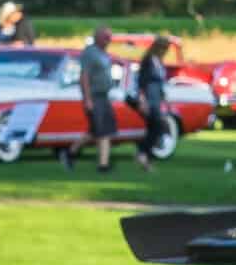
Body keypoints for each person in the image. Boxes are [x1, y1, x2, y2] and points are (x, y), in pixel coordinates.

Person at [60, 25, 120, 172]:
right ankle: (103, 165)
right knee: (101, 131)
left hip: (104, 96)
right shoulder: (90, 53)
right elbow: (84, 76)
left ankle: (71, 153)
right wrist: (87, 99)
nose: (109, 40)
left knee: (98, 131)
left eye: (110, 37)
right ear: (98, 37)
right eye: (106, 37)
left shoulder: (102, 53)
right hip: (94, 96)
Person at [133, 33, 171, 176]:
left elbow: (160, 82)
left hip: (156, 98)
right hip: (149, 98)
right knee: (157, 126)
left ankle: (145, 158)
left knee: (153, 128)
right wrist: (142, 100)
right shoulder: (148, 61)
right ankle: (142, 153)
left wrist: (164, 97)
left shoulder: (158, 62)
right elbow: (142, 81)